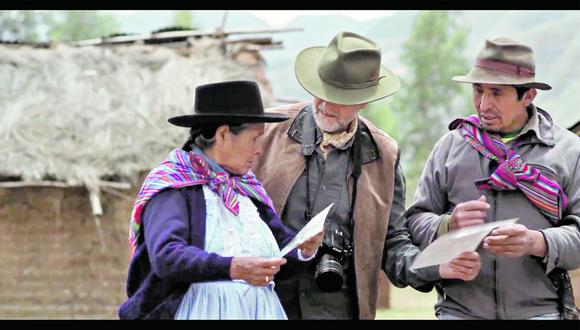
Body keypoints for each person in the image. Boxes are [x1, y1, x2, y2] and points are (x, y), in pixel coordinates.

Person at [252, 31, 481, 320]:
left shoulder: (384, 154)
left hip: (339, 311)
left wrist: (434, 266)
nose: (324, 105)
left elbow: (393, 243)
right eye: (320, 92)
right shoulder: (265, 131)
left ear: (364, 101)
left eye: (338, 98)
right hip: (263, 304)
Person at [406, 36, 580, 320]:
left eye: (497, 93)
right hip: (459, 311)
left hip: (542, 312)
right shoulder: (450, 147)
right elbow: (414, 221)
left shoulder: (568, 152)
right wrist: (448, 224)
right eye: (478, 91)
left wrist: (537, 242)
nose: (484, 104)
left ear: (528, 96)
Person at [118, 80, 324, 319]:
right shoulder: (173, 186)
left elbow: (280, 248)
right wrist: (232, 268)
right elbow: (167, 256)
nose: (258, 149)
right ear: (223, 134)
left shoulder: (246, 188)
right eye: (254, 139)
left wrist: (303, 250)